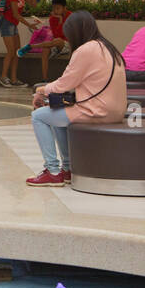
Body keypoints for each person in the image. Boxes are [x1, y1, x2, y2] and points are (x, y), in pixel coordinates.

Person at [26, 10, 127, 186]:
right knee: (56, 113)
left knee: (38, 117)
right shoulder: (108, 47)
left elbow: (64, 84)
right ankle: (68, 169)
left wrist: (41, 90)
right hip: (115, 111)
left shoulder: (86, 50)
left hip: (96, 111)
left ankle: (53, 170)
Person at [0, 0, 39, 88]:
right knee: (11, 51)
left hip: (13, 24)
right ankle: (3, 77)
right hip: (7, 23)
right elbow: (16, 14)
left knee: (17, 52)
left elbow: (34, 5)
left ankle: (14, 78)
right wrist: (29, 25)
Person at [19, 0, 71, 81]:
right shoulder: (52, 19)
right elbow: (56, 33)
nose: (55, 11)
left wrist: (61, 20)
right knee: (45, 50)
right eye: (54, 8)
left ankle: (31, 46)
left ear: (64, 8)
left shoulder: (71, 17)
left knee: (57, 40)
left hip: (68, 44)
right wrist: (58, 20)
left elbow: (65, 34)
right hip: (56, 43)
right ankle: (44, 79)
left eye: (58, 8)